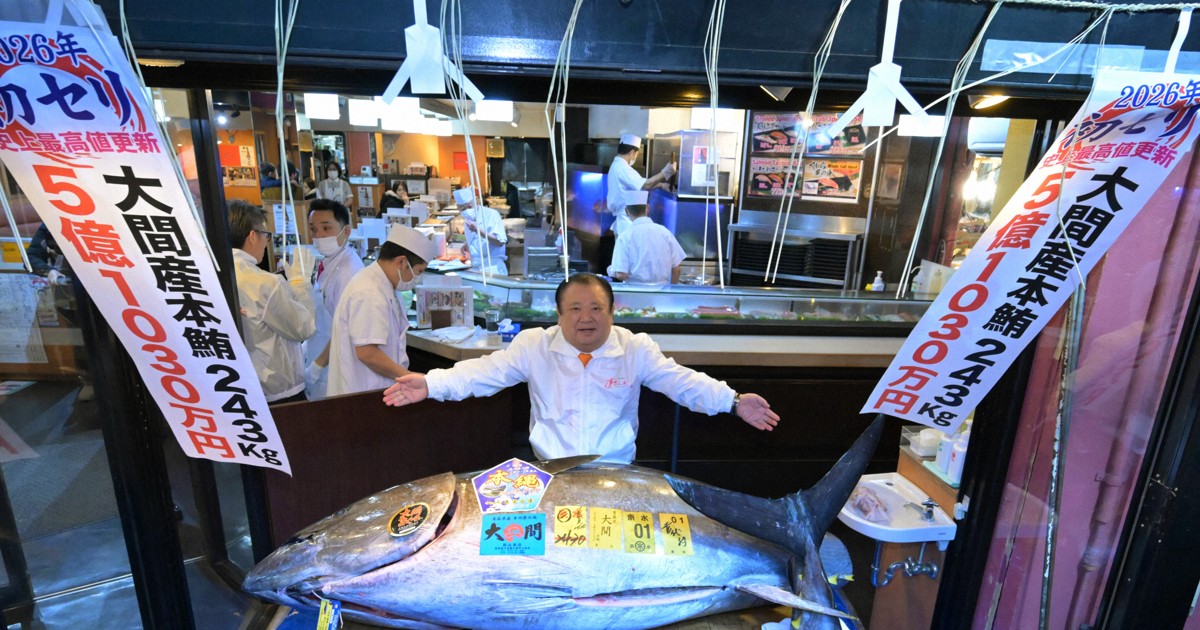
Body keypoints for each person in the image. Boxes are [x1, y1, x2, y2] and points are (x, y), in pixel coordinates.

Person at [383, 273, 779, 464]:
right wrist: (431, 383)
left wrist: (733, 400)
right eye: (575, 308)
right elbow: (482, 373)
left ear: (612, 312)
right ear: (559, 314)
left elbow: (682, 382)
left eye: (596, 308)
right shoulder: (534, 345)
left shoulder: (634, 348)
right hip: (551, 470)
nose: (585, 318)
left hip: (616, 470)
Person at [326, 224, 436, 397]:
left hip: (376, 390)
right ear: (401, 262)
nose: (418, 279)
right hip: (362, 393)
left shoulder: (385, 284)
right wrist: (409, 377)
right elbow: (367, 353)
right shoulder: (369, 291)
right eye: (418, 271)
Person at [228, 200, 317, 404]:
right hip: (280, 394)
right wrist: (300, 284)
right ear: (252, 236)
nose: (266, 241)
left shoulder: (214, 273)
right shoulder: (265, 283)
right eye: (266, 235)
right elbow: (304, 328)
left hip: (240, 390)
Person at [302, 199, 365, 399]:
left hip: (331, 367)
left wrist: (317, 366)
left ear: (345, 231)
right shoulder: (330, 261)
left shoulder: (349, 271)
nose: (319, 235)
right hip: (318, 352)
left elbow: (345, 329)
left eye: (326, 228)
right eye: (313, 229)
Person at [607, 193, 686, 285]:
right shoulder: (665, 232)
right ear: (647, 208)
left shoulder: (625, 237)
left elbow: (621, 275)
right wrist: (671, 289)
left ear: (626, 211)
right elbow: (677, 269)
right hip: (662, 292)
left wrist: (611, 271)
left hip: (635, 293)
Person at [606, 134, 675, 237]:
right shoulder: (622, 168)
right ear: (632, 152)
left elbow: (640, 185)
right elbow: (645, 185)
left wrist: (661, 185)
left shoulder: (616, 165)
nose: (635, 157)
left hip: (625, 220)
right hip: (627, 221)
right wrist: (665, 172)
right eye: (636, 154)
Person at [456, 186, 508, 276]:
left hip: (493, 268)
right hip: (475, 268)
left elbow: (500, 242)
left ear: (476, 202)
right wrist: (468, 244)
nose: (467, 210)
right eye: (462, 209)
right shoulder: (467, 218)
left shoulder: (491, 215)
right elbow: (478, 239)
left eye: (469, 206)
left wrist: (478, 231)